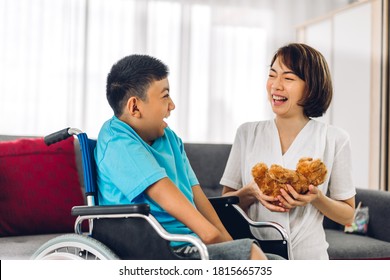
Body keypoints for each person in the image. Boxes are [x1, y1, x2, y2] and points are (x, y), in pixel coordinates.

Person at [94, 54, 269, 260]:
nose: (172, 105)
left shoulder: (169, 139)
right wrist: (230, 247)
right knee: (251, 255)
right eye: (165, 96)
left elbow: (198, 198)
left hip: (190, 244)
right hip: (157, 249)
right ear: (135, 107)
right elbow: (206, 232)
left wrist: (229, 242)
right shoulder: (117, 143)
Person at [220, 43, 356, 260]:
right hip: (257, 256)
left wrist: (316, 198)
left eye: (288, 78)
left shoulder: (335, 138)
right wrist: (252, 192)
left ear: (310, 87)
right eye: (272, 75)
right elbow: (226, 201)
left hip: (310, 258)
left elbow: (348, 215)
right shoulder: (247, 133)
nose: (276, 85)